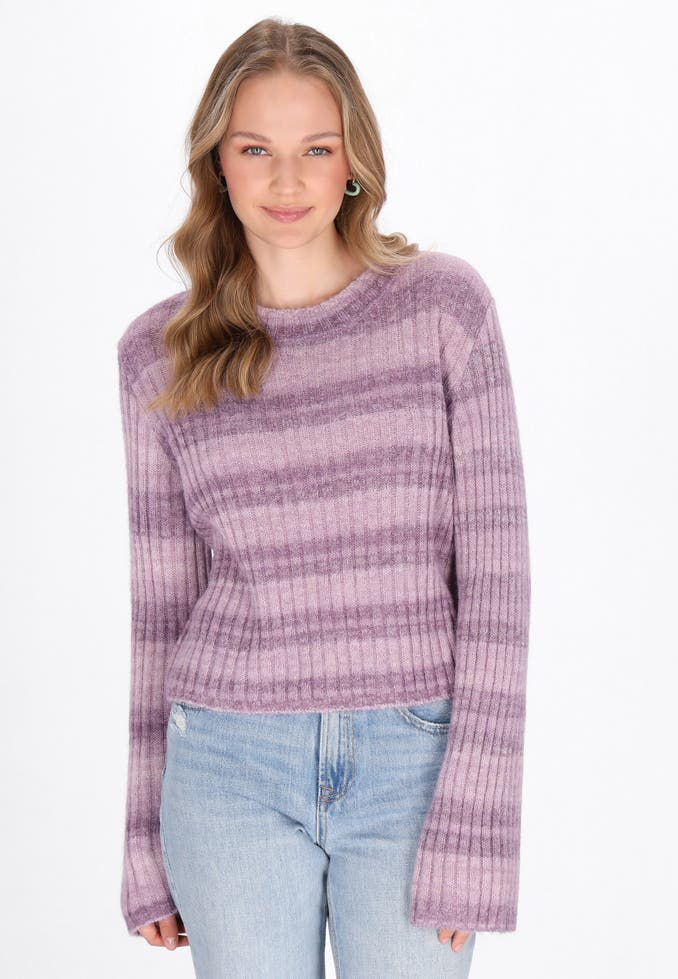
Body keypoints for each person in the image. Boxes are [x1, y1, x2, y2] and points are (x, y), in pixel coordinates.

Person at [116, 17, 531, 978]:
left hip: (414, 769)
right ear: (216, 164)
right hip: (226, 767)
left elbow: (499, 583)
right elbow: (160, 612)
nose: (287, 180)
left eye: (316, 148)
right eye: (255, 149)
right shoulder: (159, 355)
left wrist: (478, 821)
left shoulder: (443, 309)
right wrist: (141, 838)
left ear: (354, 161)